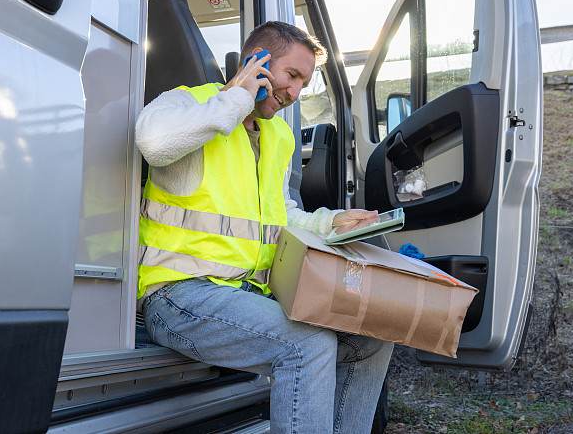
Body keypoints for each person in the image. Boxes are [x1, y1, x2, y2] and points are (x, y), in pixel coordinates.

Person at [136, 21, 393, 434]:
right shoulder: (192, 104)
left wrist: (330, 222)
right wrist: (235, 99)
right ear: (256, 61)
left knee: (372, 340)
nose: (295, 93)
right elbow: (153, 141)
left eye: (304, 84)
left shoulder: (277, 137)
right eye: (291, 76)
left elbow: (279, 212)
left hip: (246, 298)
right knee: (307, 344)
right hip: (178, 295)